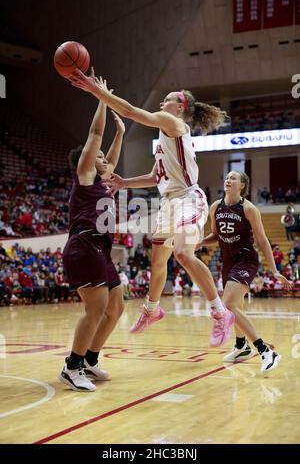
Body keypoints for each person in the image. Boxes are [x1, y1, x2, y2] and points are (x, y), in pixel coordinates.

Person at [70, 70, 234, 347]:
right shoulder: (165, 137)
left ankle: (220, 312)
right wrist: (124, 182)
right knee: (158, 261)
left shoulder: (172, 122)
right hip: (169, 202)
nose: (161, 103)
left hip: (188, 198)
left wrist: (97, 92)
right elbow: (156, 177)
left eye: (167, 99)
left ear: (179, 107)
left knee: (183, 253)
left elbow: (132, 111)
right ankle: (152, 309)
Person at [59, 74, 126, 392]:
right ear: (87, 162)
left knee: (116, 308)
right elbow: (96, 134)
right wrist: (102, 96)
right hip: (84, 246)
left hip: (101, 250)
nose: (104, 160)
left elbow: (110, 155)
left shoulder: (102, 180)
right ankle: (72, 367)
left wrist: (122, 132)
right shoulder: (85, 175)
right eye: (99, 157)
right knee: (96, 308)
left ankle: (91, 358)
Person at [199, 170, 292, 373]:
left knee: (228, 305)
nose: (228, 180)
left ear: (242, 185)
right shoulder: (215, 207)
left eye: (233, 178)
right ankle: (241, 346)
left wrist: (274, 270)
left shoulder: (249, 209)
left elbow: (262, 240)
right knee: (236, 307)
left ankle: (266, 351)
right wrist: (199, 242)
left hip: (246, 260)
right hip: (227, 261)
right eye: (227, 177)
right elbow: (215, 235)